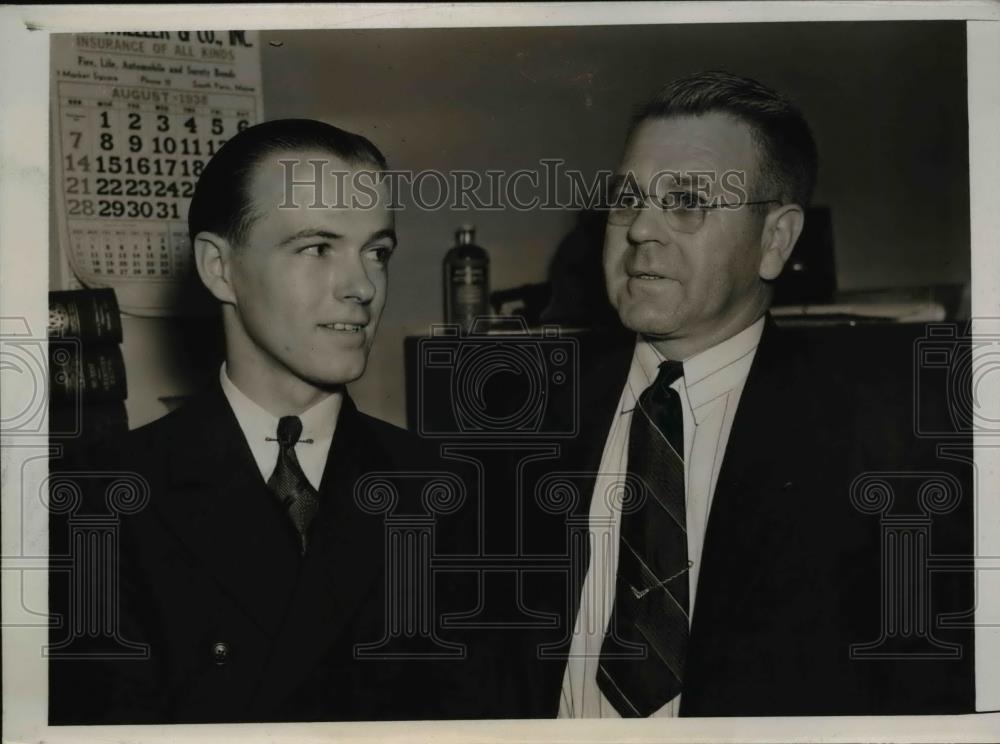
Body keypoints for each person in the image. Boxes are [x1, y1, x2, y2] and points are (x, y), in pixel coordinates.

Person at [505, 71, 974, 717]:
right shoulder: (528, 419)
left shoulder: (883, 447)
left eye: (688, 201)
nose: (641, 228)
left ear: (775, 240)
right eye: (627, 199)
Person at [49, 119, 469, 724]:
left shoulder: (452, 495)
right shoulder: (97, 503)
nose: (361, 286)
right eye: (317, 247)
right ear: (219, 268)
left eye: (376, 252)